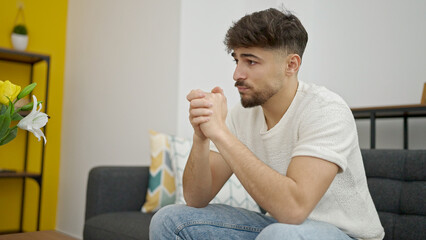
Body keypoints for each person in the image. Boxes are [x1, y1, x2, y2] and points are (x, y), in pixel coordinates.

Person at [149, 8, 384, 240]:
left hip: (345, 234)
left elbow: (294, 209)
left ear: (291, 65)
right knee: (170, 220)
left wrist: (221, 133)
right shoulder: (242, 115)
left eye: (251, 62)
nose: (236, 74)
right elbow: (196, 199)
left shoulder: (326, 110)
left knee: (280, 235)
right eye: (237, 59)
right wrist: (202, 136)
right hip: (278, 225)